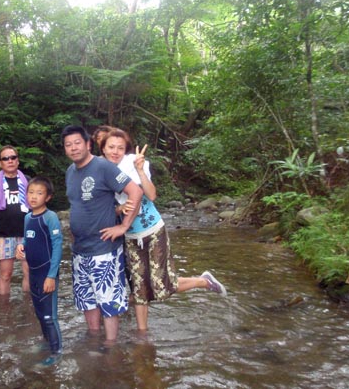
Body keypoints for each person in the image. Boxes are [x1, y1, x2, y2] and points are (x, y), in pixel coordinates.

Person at [101, 128, 227, 332]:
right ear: (103, 149)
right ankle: (143, 334)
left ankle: (203, 281)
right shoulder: (100, 172)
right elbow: (105, 207)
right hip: (130, 236)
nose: (115, 152)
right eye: (111, 147)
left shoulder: (134, 163)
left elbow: (151, 195)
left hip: (153, 230)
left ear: (126, 150)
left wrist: (140, 170)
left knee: (161, 285)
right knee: (140, 288)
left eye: (120, 148)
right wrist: (119, 208)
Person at [62, 125, 143, 345]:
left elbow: (136, 191)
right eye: (68, 145)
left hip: (104, 249)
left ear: (88, 144)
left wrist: (123, 226)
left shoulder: (103, 167)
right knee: (86, 301)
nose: (73, 148)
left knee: (109, 303)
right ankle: (94, 344)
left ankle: (111, 348)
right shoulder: (70, 171)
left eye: (77, 143)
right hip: (80, 250)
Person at [15, 176, 63, 366]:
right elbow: (28, 240)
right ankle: (46, 343)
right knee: (39, 313)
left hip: (47, 273)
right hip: (33, 273)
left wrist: (51, 276)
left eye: (39, 193)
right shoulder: (28, 217)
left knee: (49, 316)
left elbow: (57, 246)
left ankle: (57, 352)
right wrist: (21, 247)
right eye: (31, 192)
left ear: (48, 197)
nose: (33, 197)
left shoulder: (50, 217)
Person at [0, 145, 30, 295]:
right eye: (5, 158)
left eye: (13, 157)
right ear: (0, 163)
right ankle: (3, 306)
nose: (10, 161)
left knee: (29, 272)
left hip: (27, 233)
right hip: (4, 234)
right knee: (5, 274)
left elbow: (37, 206)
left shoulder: (28, 181)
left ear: (18, 161)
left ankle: (28, 304)